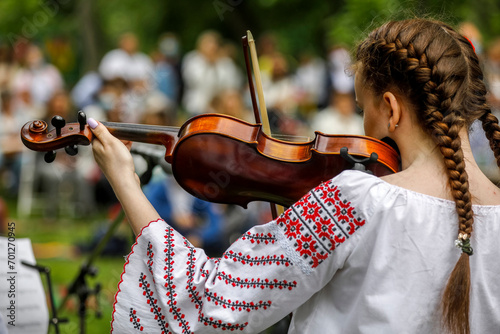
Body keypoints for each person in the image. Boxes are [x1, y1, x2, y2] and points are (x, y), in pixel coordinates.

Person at [87, 18, 500, 333]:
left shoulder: (356, 202)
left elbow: (208, 301)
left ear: (391, 109)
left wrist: (125, 181)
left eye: (363, 108)